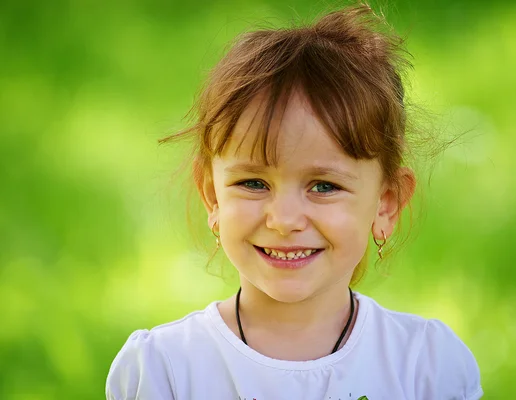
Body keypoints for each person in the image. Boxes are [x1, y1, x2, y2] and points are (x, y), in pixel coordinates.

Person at [106, 4, 482, 399]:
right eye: (253, 182)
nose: (284, 220)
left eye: (323, 186)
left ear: (385, 203)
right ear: (212, 195)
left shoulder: (425, 367)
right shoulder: (165, 369)